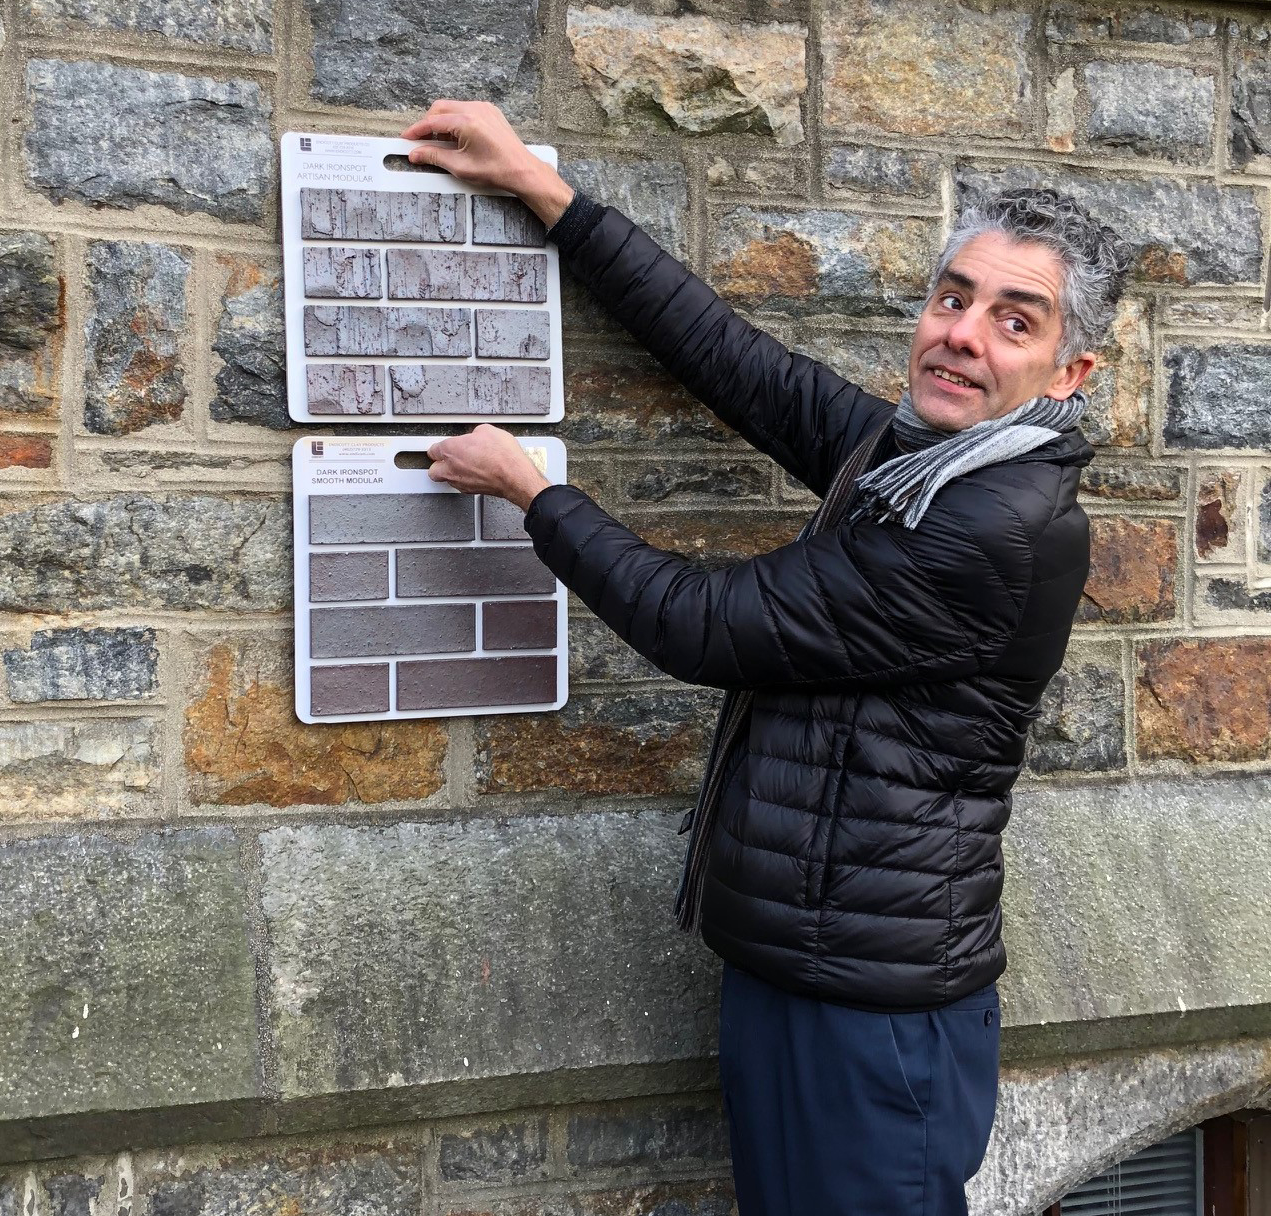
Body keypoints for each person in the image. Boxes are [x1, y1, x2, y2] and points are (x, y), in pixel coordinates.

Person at [403, 100, 1131, 1215]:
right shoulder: (919, 461)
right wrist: (546, 196)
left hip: (873, 1018)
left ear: (1069, 371)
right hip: (807, 969)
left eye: (1013, 321)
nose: (963, 334)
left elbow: (703, 620)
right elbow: (743, 368)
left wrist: (534, 492)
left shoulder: (989, 525)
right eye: (953, 297)